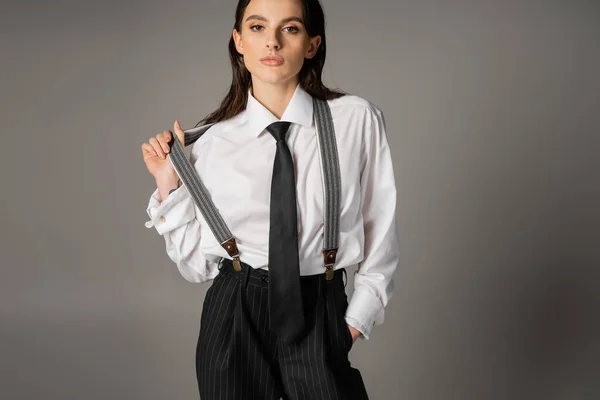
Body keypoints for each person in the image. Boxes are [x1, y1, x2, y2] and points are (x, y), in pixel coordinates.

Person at [141, 0, 399, 398]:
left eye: (290, 29)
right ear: (239, 41)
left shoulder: (356, 121)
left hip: (319, 306)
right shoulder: (209, 143)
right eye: (258, 27)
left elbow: (379, 229)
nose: (273, 43)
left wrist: (352, 323)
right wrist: (167, 183)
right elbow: (196, 268)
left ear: (312, 44)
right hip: (235, 313)